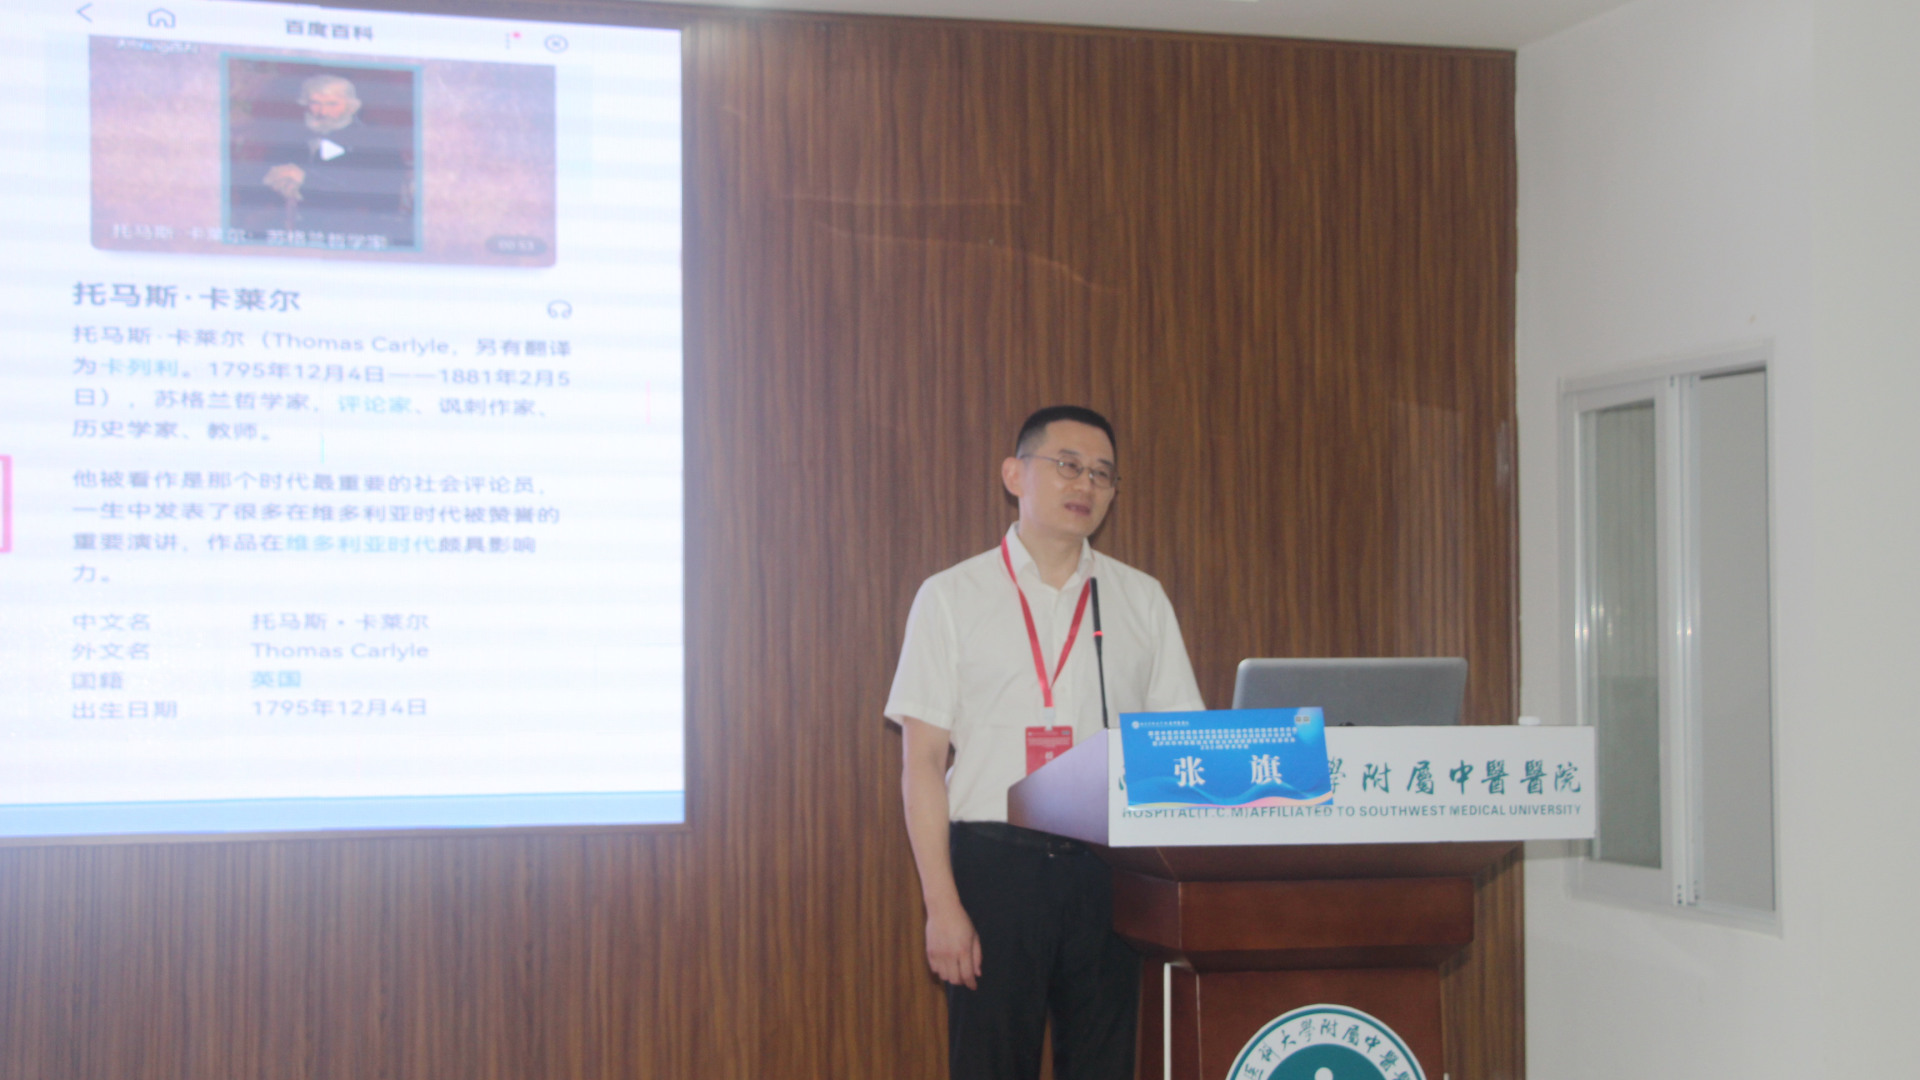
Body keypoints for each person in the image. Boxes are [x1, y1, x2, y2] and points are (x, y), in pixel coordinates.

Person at [885, 405, 1205, 1080]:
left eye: (1102, 474)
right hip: (993, 869)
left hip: (1110, 873)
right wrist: (942, 905)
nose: (1085, 484)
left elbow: (1183, 742)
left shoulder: (1141, 599)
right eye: (1067, 465)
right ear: (1014, 474)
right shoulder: (951, 597)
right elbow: (922, 764)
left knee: (1106, 1066)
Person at [231, 73, 413, 247]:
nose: (322, 112)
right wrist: (274, 179)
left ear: (351, 107)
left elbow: (376, 192)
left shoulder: (375, 141)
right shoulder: (291, 136)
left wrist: (307, 179)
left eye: (332, 104)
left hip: (352, 238)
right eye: (315, 103)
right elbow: (258, 183)